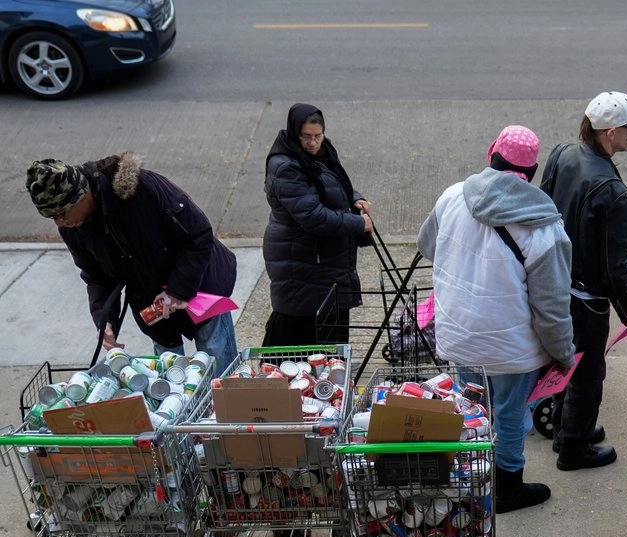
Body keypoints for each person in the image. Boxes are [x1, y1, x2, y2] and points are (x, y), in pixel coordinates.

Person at [417, 125, 575, 513]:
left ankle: (471, 479)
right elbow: (552, 307)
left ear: (491, 155)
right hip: (511, 350)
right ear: (533, 170)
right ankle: (507, 488)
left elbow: (427, 245)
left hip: (458, 336)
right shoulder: (544, 226)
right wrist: (563, 354)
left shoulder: (452, 197)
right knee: (509, 418)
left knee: (472, 412)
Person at [25, 154, 239, 375]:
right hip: (150, 303)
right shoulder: (73, 228)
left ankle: (227, 408)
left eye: (62, 213)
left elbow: (199, 234)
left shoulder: (143, 188)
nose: (60, 222)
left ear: (81, 195)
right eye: (52, 217)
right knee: (169, 376)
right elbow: (95, 276)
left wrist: (178, 290)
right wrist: (105, 320)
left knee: (218, 364)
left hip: (199, 285)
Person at [540, 91, 627, 471]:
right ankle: (574, 447)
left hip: (553, 282)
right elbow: (616, 266)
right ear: (612, 132)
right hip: (585, 298)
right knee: (587, 374)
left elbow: (541, 206)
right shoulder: (614, 194)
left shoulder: (562, 153)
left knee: (561, 358)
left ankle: (563, 428)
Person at [262, 102, 373, 347]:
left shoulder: (322, 153)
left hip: (321, 262)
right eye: (306, 137)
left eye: (318, 136)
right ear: (294, 134)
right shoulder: (286, 167)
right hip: (301, 261)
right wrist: (357, 224)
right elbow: (313, 216)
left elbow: (334, 186)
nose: (313, 143)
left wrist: (355, 198)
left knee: (328, 330)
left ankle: (329, 376)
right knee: (301, 334)